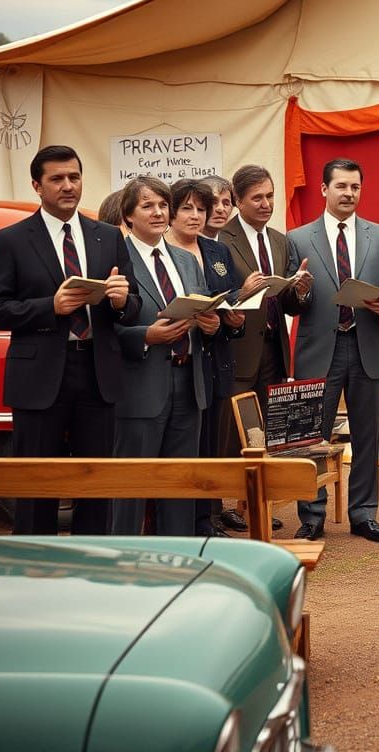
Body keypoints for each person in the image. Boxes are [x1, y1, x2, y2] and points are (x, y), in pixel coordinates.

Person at [0, 145, 141, 535]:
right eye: (57, 179)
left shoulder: (107, 237)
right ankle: (36, 572)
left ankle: (93, 567)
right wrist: (48, 306)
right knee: (37, 482)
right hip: (40, 376)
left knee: (95, 481)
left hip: (97, 371)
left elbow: (133, 304)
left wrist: (123, 301)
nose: (68, 186)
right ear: (37, 186)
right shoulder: (12, 239)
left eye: (74, 177)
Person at [288, 158, 379, 542]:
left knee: (368, 434)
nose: (349, 193)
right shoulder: (298, 238)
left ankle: (364, 514)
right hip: (319, 349)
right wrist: (300, 290)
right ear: (324, 190)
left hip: (368, 345)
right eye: (341, 186)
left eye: (355, 187)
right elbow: (290, 302)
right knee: (311, 436)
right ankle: (311, 515)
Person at [111, 176, 220, 536]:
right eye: (148, 205)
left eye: (162, 204)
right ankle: (124, 564)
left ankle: (179, 557)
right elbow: (102, 330)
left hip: (190, 382)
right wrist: (146, 336)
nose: (158, 212)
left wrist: (211, 324)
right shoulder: (114, 259)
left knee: (181, 483)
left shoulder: (185, 260)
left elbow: (202, 306)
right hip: (140, 384)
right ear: (128, 215)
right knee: (132, 485)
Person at [217, 165, 311, 531]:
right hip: (237, 349)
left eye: (270, 196)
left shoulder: (278, 240)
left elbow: (287, 303)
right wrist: (240, 296)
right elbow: (215, 294)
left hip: (274, 347)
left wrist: (299, 290)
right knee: (231, 433)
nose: (266, 203)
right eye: (257, 197)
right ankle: (218, 506)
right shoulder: (221, 240)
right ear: (237, 200)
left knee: (262, 434)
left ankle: (252, 504)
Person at [166, 178, 246, 537]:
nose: (197, 215)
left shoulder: (217, 252)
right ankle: (174, 523)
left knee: (210, 442)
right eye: (187, 208)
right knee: (180, 447)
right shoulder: (160, 252)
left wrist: (231, 321)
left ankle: (205, 519)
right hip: (173, 358)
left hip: (215, 358)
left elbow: (230, 301)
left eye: (202, 208)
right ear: (170, 211)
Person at [200, 175, 236, 239]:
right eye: (213, 202)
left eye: (226, 204)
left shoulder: (234, 243)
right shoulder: (181, 245)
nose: (220, 209)